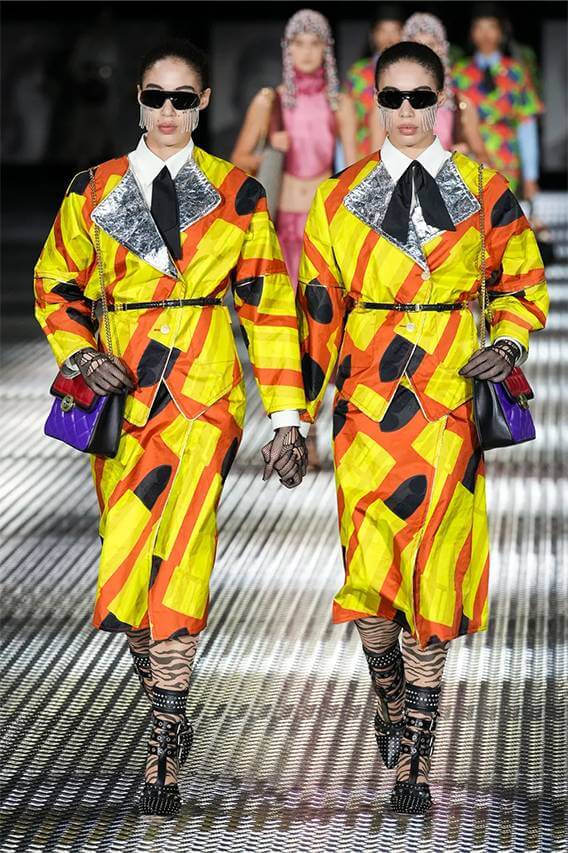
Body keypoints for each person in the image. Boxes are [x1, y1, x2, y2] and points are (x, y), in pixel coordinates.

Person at [34, 38, 308, 817]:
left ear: (204, 103)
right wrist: (83, 354)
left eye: (182, 98)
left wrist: (287, 416)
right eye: (155, 96)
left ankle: (163, 743)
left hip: (201, 394)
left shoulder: (237, 194)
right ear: (138, 99)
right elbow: (55, 282)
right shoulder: (94, 188)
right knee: (127, 558)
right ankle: (167, 702)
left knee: (182, 550)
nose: (166, 111)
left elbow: (268, 306)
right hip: (120, 396)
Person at [296, 41, 548, 814]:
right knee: (372, 583)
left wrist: (508, 342)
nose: (406, 111)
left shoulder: (482, 188)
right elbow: (316, 311)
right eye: (393, 97)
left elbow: (522, 281)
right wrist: (292, 416)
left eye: (420, 97)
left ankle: (416, 756)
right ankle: (388, 696)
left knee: (434, 573)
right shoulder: (339, 197)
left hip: (446, 402)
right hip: (367, 408)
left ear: (443, 102)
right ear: (375, 100)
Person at [231, 8, 357, 469]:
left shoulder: (340, 105)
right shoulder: (271, 101)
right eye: (298, 43)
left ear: (327, 50)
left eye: (314, 43)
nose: (306, 52)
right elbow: (237, 162)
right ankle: (293, 430)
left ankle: (317, 427)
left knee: (327, 332)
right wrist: (270, 149)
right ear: (287, 49)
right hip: (282, 228)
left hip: (324, 231)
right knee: (288, 333)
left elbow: (357, 170)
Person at [452, 2, 543, 198]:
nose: (485, 34)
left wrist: (531, 177)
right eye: (479, 27)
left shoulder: (516, 72)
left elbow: (526, 124)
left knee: (502, 212)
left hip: (505, 156)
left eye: (491, 27)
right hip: (469, 156)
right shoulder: (459, 72)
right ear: (471, 33)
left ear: (502, 33)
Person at [402, 12, 492, 164]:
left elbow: (482, 158)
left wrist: (465, 153)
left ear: (441, 48)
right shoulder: (392, 101)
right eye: (417, 45)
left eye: (430, 45)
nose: (424, 52)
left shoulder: (459, 104)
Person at [343, 3, 403, 159]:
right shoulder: (358, 73)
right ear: (374, 34)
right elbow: (346, 120)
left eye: (395, 31)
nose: (389, 38)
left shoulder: (411, 72)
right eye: (383, 31)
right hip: (364, 153)